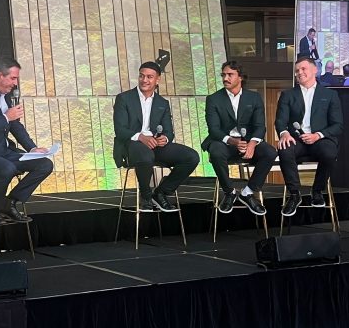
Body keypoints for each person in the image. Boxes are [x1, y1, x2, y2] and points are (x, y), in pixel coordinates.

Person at [0, 57, 54, 224]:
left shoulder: (5, 96)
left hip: (4, 152)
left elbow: (15, 126)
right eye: (13, 78)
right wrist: (6, 117)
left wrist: (32, 148)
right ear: (0, 76)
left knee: (44, 164)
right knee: (7, 168)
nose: (15, 83)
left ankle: (9, 203)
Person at [113, 61, 200, 212]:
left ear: (157, 80)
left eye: (149, 77)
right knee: (145, 155)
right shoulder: (124, 98)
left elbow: (169, 132)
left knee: (191, 157)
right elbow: (120, 130)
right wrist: (141, 137)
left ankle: (161, 193)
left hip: (155, 145)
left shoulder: (162, 103)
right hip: (131, 144)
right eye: (141, 76)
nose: (144, 80)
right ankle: (146, 196)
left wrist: (164, 138)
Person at [202, 60, 277, 215]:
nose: (225, 78)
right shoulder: (213, 99)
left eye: (230, 74)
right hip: (224, 141)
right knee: (216, 151)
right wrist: (232, 141)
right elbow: (214, 130)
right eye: (223, 75)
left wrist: (252, 144)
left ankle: (247, 192)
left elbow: (260, 126)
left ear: (240, 77)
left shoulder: (254, 97)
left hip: (248, 142)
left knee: (270, 152)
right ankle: (229, 192)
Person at [275, 56, 343, 215]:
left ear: (315, 70)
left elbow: (338, 125)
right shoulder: (287, 95)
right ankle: (294, 194)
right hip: (296, 139)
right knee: (284, 150)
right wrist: (284, 134)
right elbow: (280, 121)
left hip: (320, 139)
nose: (299, 72)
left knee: (329, 153)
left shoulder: (330, 95)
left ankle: (317, 191)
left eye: (303, 69)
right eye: (297, 71)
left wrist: (318, 135)